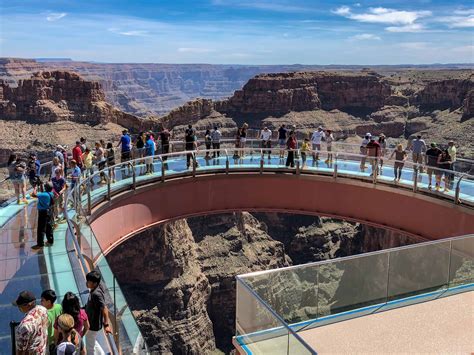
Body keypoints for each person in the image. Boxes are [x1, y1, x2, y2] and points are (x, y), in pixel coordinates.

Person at [13, 290, 48, 355]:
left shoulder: (25, 325)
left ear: (28, 305)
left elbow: (20, 350)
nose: (19, 308)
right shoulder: (43, 310)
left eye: (20, 306)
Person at [85, 271, 112, 355]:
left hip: (93, 324)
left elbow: (104, 308)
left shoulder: (96, 294)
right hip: (91, 321)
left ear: (95, 283)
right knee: (91, 341)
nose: (87, 283)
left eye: (89, 281)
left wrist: (106, 325)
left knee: (90, 347)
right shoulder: (96, 287)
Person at [32, 182, 55, 249]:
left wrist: (35, 188)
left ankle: (40, 243)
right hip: (48, 211)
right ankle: (50, 240)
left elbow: (34, 194)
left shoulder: (44, 195)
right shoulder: (51, 193)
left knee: (41, 228)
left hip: (43, 212)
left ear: (46, 188)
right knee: (48, 226)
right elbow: (43, 193)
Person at [40, 289, 62, 353]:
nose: (41, 302)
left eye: (43, 300)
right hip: (58, 337)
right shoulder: (59, 306)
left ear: (49, 302)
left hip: (49, 340)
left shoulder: (45, 314)